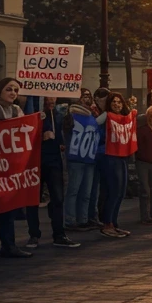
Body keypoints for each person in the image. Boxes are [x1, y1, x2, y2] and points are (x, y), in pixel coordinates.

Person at [0, 78, 34, 259]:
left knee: (10, 208)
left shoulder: (16, 110)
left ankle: (8, 245)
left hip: (10, 167)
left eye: (16, 90)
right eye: (9, 89)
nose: (13, 93)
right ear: (0, 90)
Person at [95, 92, 137, 238]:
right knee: (113, 190)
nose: (116, 105)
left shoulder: (125, 118)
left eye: (119, 102)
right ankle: (107, 224)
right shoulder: (106, 116)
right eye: (113, 102)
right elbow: (95, 124)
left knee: (121, 191)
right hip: (109, 156)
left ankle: (113, 222)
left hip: (121, 156)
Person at [39, 96, 78, 248]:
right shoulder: (34, 113)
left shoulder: (59, 114)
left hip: (54, 160)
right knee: (32, 200)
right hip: (36, 160)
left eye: (53, 97)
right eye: (47, 98)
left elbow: (65, 133)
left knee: (58, 198)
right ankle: (34, 234)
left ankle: (59, 234)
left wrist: (62, 141)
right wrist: (41, 136)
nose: (51, 100)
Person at [63, 92, 101, 231]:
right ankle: (70, 220)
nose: (87, 99)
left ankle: (83, 219)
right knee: (74, 191)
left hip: (89, 159)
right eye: (84, 96)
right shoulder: (70, 116)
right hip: (76, 159)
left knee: (86, 192)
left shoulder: (92, 117)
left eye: (88, 97)